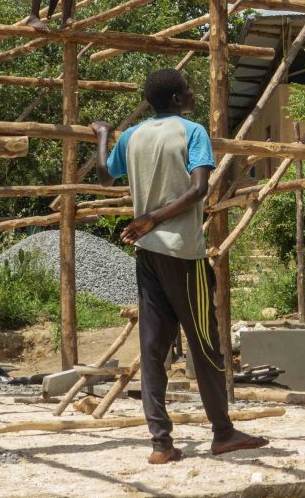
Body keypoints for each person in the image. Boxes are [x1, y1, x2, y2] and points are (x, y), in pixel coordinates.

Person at [91, 68, 268, 465]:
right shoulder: (192, 132)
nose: (192, 93)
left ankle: (160, 443)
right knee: (205, 345)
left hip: (147, 254)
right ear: (175, 99)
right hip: (183, 254)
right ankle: (223, 433)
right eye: (188, 88)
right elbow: (198, 188)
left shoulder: (133, 135)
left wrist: (103, 137)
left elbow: (104, 177)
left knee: (153, 350)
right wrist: (153, 217)